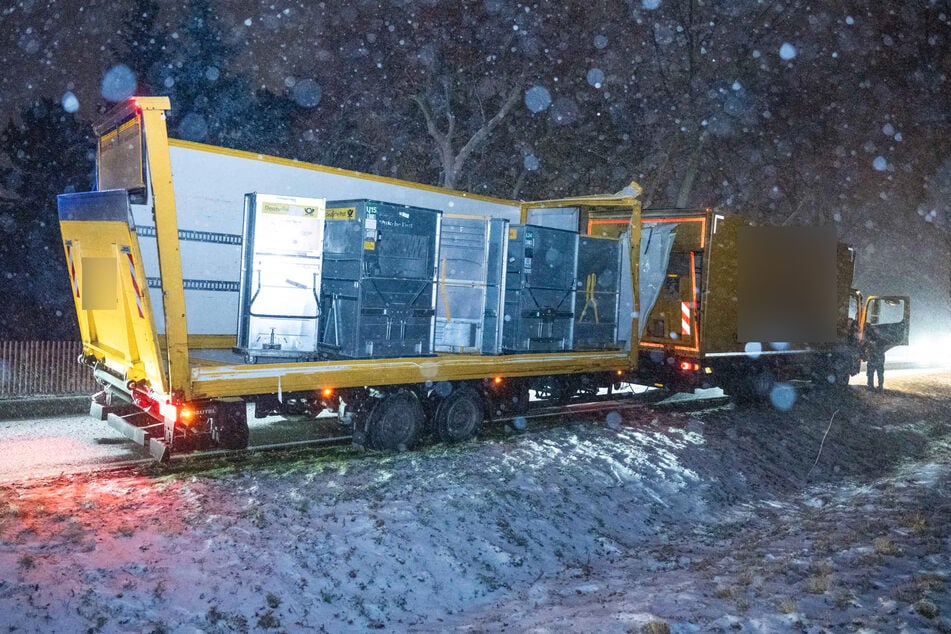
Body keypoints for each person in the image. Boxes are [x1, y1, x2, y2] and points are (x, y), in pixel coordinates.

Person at [863, 327, 886, 392]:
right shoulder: (881, 340)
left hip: (873, 359)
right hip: (879, 359)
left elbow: (865, 347)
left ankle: (871, 386)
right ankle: (880, 386)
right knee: (879, 374)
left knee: (871, 373)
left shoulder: (870, 340)